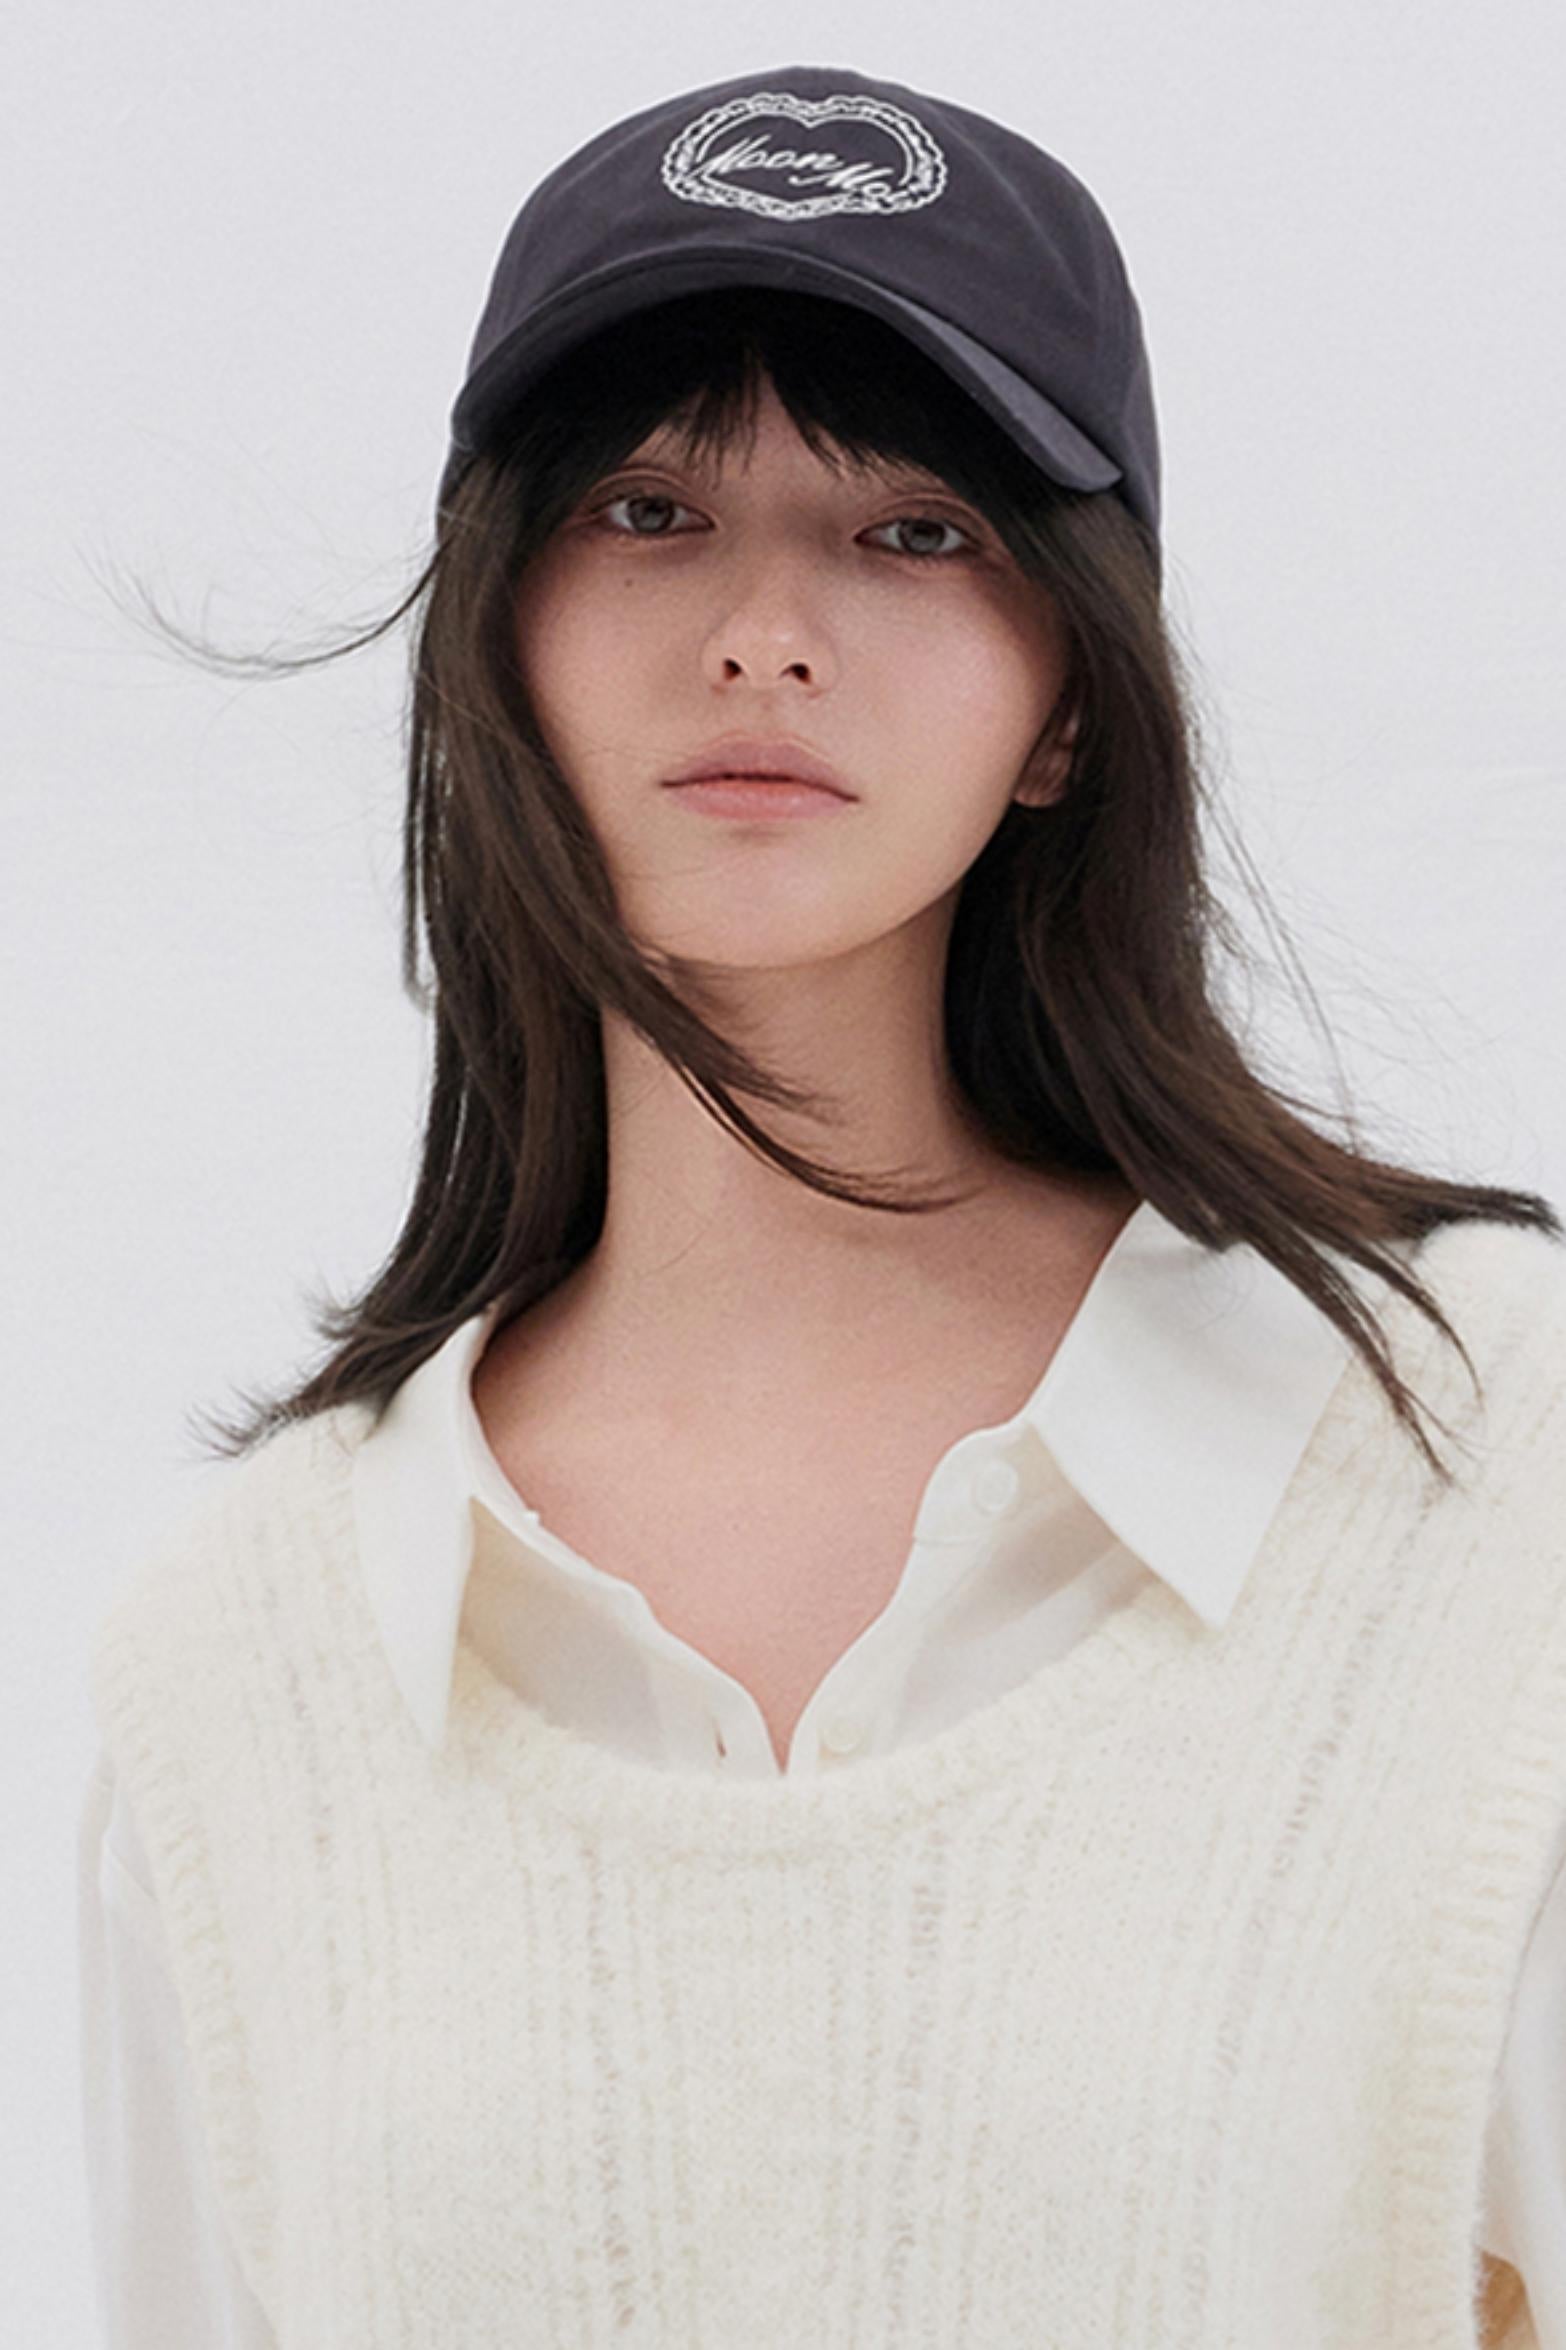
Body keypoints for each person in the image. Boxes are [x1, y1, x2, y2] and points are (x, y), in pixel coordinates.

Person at [78, 61, 1566, 2349]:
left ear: (1070, 702)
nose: (764, 629)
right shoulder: (245, 1670)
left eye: (914, 529)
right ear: (494, 639)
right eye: (651, 505)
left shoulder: (1483, 1463)